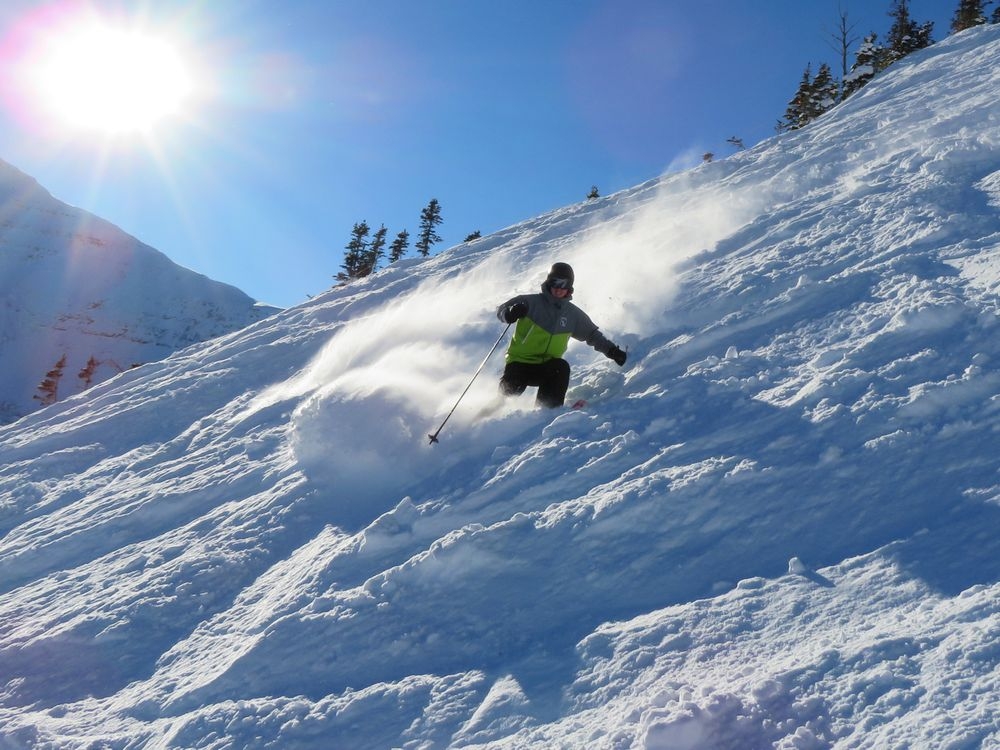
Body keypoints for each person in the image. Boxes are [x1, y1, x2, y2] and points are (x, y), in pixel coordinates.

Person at [495, 262, 627, 408]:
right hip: (519, 363)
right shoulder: (530, 302)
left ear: (569, 287)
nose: (558, 288)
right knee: (512, 390)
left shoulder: (573, 314)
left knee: (561, 367)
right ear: (548, 282)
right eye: (555, 282)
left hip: (545, 367)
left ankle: (546, 411)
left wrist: (612, 351)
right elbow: (501, 309)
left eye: (563, 284)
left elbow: (592, 335)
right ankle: (491, 411)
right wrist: (509, 314)